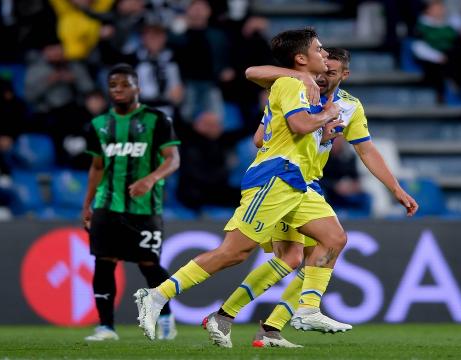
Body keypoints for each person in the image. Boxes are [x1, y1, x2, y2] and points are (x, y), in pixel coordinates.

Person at [134, 28, 348, 345]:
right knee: (233, 253)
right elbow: (299, 125)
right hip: (275, 179)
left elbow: (270, 134)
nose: (323, 54)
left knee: (333, 238)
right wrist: (326, 115)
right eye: (318, 49)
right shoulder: (290, 83)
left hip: (297, 183)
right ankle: (156, 295)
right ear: (301, 58)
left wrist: (323, 128)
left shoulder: (304, 88)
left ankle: (306, 308)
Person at [220, 47, 419, 348]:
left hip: (309, 183)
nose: (324, 78)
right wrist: (307, 130)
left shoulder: (350, 106)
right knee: (303, 254)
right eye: (322, 70)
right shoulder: (298, 90)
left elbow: (366, 149)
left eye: (332, 73)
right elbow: (260, 137)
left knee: (309, 258)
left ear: (344, 75)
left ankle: (267, 326)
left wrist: (395, 188)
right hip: (285, 179)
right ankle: (238, 316)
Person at [82, 63, 180, 341]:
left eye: (125, 84)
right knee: (103, 262)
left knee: (148, 264)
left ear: (137, 87)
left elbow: (173, 159)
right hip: (107, 204)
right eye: (113, 86)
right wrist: (87, 203)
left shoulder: (157, 119)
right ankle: (106, 327)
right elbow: (97, 167)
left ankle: (165, 315)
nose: (119, 90)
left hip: (145, 207)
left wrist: (150, 179)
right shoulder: (99, 125)